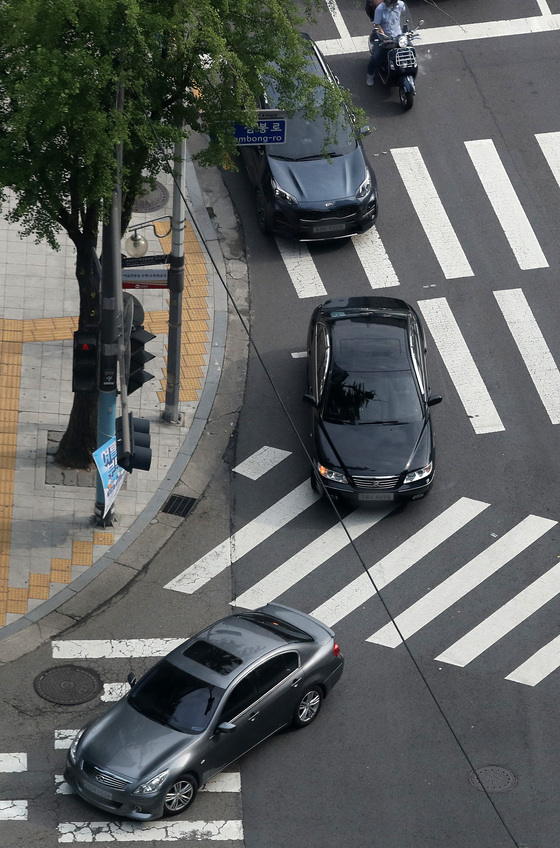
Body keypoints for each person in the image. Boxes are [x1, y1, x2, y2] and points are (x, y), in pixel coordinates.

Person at [366, 0, 407, 86]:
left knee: (408, 50)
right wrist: (382, 33)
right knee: (375, 56)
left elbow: (405, 13)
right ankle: (370, 74)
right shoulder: (380, 9)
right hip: (385, 38)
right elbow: (377, 24)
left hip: (398, 35)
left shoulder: (400, 4)